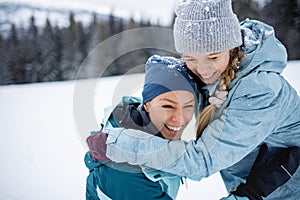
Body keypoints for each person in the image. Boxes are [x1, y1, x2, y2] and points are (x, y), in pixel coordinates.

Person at [94, 0, 300, 199]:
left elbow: (201, 160)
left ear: (232, 47)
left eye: (213, 57)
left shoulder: (260, 91)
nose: (203, 70)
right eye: (190, 58)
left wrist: (116, 144)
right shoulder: (212, 73)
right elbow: (162, 94)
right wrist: (123, 120)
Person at [85, 55, 197, 200]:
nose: (180, 118)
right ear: (147, 104)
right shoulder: (125, 173)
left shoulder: (154, 133)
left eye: (188, 106)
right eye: (168, 106)